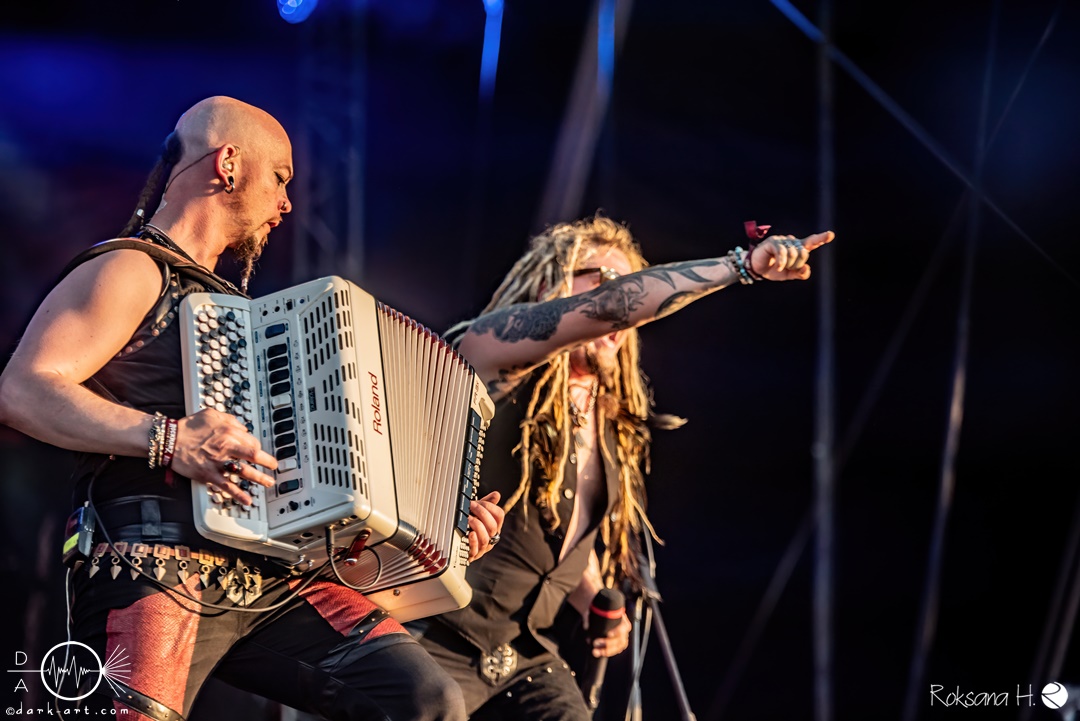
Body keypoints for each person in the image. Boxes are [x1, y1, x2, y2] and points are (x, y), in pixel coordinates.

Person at [0, 96, 503, 721]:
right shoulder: (132, 266)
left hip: (274, 577)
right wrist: (171, 440)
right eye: (281, 178)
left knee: (425, 699)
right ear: (229, 164)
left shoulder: (245, 318)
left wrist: (441, 531)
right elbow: (21, 391)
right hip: (158, 563)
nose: (288, 203)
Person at [409, 214, 834, 719]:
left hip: (522, 652)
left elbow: (556, 529)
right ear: (552, 286)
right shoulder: (489, 353)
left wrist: (589, 593)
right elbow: (608, 309)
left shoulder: (609, 419)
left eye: (632, 284)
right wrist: (741, 265)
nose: (625, 302)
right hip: (435, 634)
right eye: (605, 280)